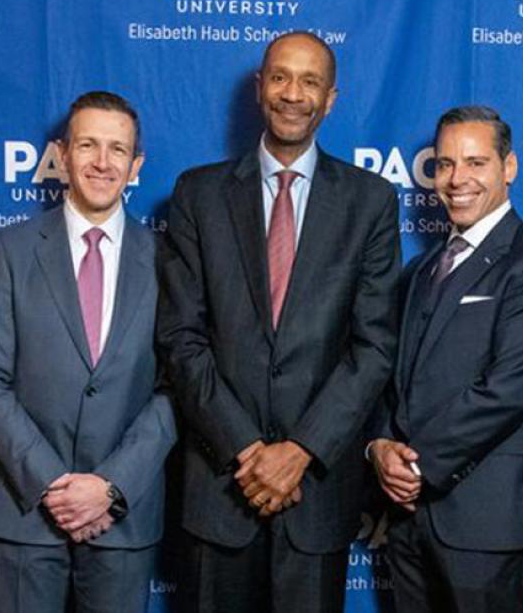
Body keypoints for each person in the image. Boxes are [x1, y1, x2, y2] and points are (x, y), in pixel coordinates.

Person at [156, 31, 400, 612]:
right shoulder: (198, 193)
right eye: (282, 77)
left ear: (331, 98)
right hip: (220, 488)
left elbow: (373, 347)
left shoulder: (370, 200)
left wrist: (300, 451)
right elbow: (180, 339)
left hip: (316, 492)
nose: (294, 94)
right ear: (259, 86)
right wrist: (246, 449)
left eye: (310, 80)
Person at [0, 91, 175, 613]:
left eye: (117, 150)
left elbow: (179, 385)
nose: (102, 162)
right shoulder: (7, 252)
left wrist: (110, 484)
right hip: (24, 508)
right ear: (61, 154)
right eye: (88, 145)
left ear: (136, 165)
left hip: (122, 513)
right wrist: (55, 485)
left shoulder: (170, 261)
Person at [369, 106, 523, 612]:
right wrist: (378, 446)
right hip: (406, 520)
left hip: (488, 521)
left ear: (509, 168)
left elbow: (509, 388)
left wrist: (418, 469)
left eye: (475, 162)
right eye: (444, 164)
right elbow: (389, 377)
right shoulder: (421, 270)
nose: (457, 179)